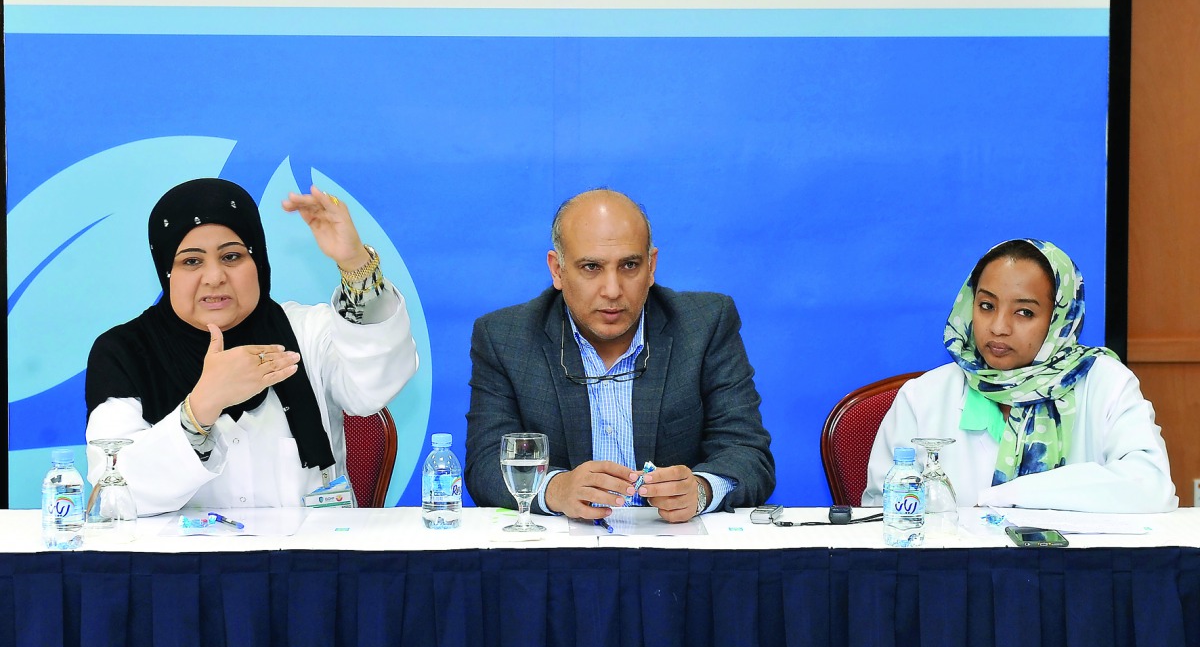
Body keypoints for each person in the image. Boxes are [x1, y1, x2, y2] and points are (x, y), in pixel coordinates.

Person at [85, 178, 419, 515]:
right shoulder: (125, 352)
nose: (214, 277)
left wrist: (356, 265)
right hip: (179, 550)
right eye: (191, 261)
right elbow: (115, 493)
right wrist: (201, 407)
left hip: (312, 546)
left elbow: (375, 386)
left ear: (257, 261)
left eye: (231, 256)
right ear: (166, 271)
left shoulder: (306, 331)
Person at [465, 188, 774, 522]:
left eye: (629, 265)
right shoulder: (505, 338)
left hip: (674, 543)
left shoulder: (705, 324)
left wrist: (700, 491)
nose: (612, 290)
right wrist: (556, 489)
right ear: (557, 270)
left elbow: (748, 453)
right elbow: (485, 465)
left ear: (651, 266)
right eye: (591, 267)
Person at [862, 239, 1177, 512]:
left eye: (1024, 312)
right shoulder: (924, 397)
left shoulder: (1105, 383)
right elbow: (880, 512)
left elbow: (1151, 486)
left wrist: (1010, 495)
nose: (999, 327)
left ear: (1060, 319)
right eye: (987, 306)